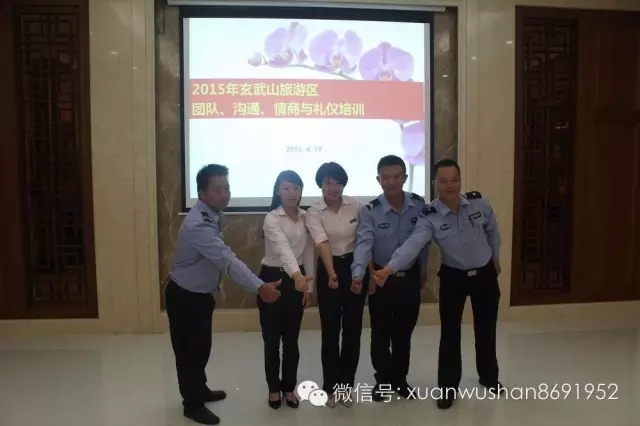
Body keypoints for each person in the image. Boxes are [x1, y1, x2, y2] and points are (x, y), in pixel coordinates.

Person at [373, 158, 503, 410]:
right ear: (434, 184)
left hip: (485, 274)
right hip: (454, 278)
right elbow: (412, 245)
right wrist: (389, 269)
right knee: (450, 334)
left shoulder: (479, 203)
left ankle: (489, 377)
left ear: (460, 181)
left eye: (454, 180)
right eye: (443, 181)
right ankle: (448, 388)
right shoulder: (429, 216)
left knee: (486, 329)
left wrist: (495, 258)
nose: (449, 186)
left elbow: (493, 231)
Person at [166, 164, 282, 425]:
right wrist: (260, 286)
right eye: (217, 189)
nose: (225, 194)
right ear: (202, 193)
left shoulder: (211, 214)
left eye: (227, 188)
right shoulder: (198, 225)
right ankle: (192, 405)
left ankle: (199, 389)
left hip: (200, 295)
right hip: (185, 297)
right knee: (188, 353)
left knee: (201, 348)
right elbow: (227, 260)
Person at [351, 155, 428, 401]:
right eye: (386, 177)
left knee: (404, 333)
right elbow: (365, 244)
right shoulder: (370, 210)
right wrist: (359, 274)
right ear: (378, 180)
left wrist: (423, 271)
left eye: (396, 176)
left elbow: (422, 244)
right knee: (381, 332)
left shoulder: (419, 205)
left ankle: (400, 380)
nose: (391, 182)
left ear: (405, 177)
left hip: (410, 277)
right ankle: (382, 380)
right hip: (380, 278)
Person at [305, 162, 367, 408]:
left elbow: (365, 239)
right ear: (320, 184)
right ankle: (330, 387)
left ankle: (346, 386)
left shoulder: (356, 205)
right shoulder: (313, 212)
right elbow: (321, 242)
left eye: (337, 182)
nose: (333, 187)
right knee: (330, 332)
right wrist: (332, 274)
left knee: (352, 330)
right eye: (328, 182)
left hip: (355, 267)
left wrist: (364, 271)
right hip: (328, 268)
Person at [259, 170, 315, 409]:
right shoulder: (271, 218)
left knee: (292, 340)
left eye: (296, 188)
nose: (292, 193)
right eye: (286, 188)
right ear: (277, 191)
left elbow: (309, 252)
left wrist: (307, 287)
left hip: (297, 280)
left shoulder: (306, 217)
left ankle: (289, 388)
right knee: (271, 340)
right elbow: (283, 250)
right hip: (272, 279)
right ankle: (273, 389)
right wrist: (297, 276)